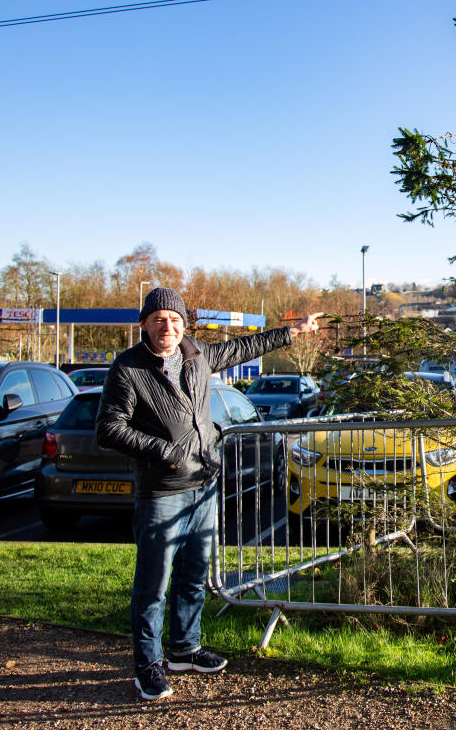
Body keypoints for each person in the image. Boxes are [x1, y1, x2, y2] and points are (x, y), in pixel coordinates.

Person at [96, 287, 321, 701]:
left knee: (194, 576)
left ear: (184, 325)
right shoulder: (127, 369)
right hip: (161, 492)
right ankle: (148, 665)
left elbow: (243, 346)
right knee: (153, 585)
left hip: (203, 485)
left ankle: (185, 649)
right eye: (160, 319)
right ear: (144, 324)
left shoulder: (197, 354)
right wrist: (165, 451)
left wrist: (292, 332)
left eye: (175, 320)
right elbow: (109, 428)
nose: (169, 326)